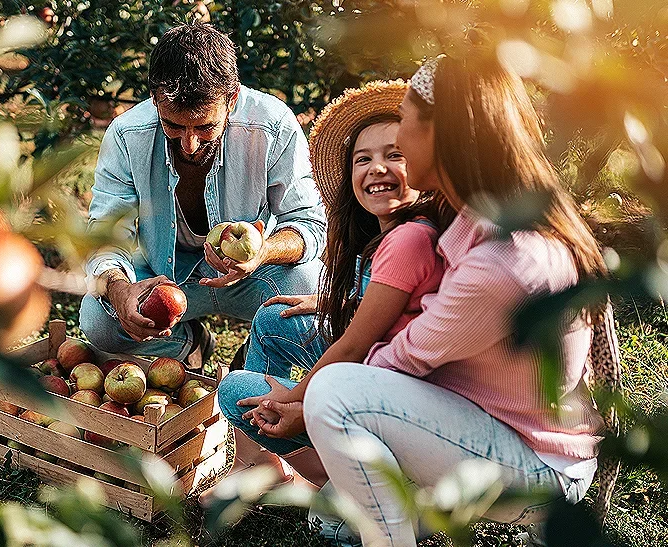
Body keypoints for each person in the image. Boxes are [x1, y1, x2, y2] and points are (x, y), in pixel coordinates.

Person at [244, 54, 609, 547]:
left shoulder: (502, 260)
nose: (398, 141)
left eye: (407, 126)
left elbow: (403, 358)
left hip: (538, 466)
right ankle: (392, 509)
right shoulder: (475, 216)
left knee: (336, 391)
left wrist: (302, 403)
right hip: (492, 426)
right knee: (333, 383)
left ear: (442, 137)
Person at [213, 80, 454, 499]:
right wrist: (331, 301)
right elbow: (394, 305)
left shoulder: (409, 239)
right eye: (363, 159)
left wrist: (295, 405)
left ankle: (339, 481)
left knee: (235, 391)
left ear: (421, 162)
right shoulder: (389, 236)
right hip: (377, 374)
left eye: (394, 155)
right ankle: (257, 463)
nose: (377, 168)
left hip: (386, 391)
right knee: (272, 317)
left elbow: (355, 347)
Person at [79, 22, 326, 367]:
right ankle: (189, 345)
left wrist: (262, 252)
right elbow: (105, 231)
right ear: (155, 100)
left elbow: (309, 222)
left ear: (232, 99)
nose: (190, 144)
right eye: (174, 126)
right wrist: (121, 291)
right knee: (99, 319)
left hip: (251, 275)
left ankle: (255, 357)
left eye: (205, 127)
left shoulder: (273, 125)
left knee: (307, 288)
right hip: (165, 273)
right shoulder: (127, 134)